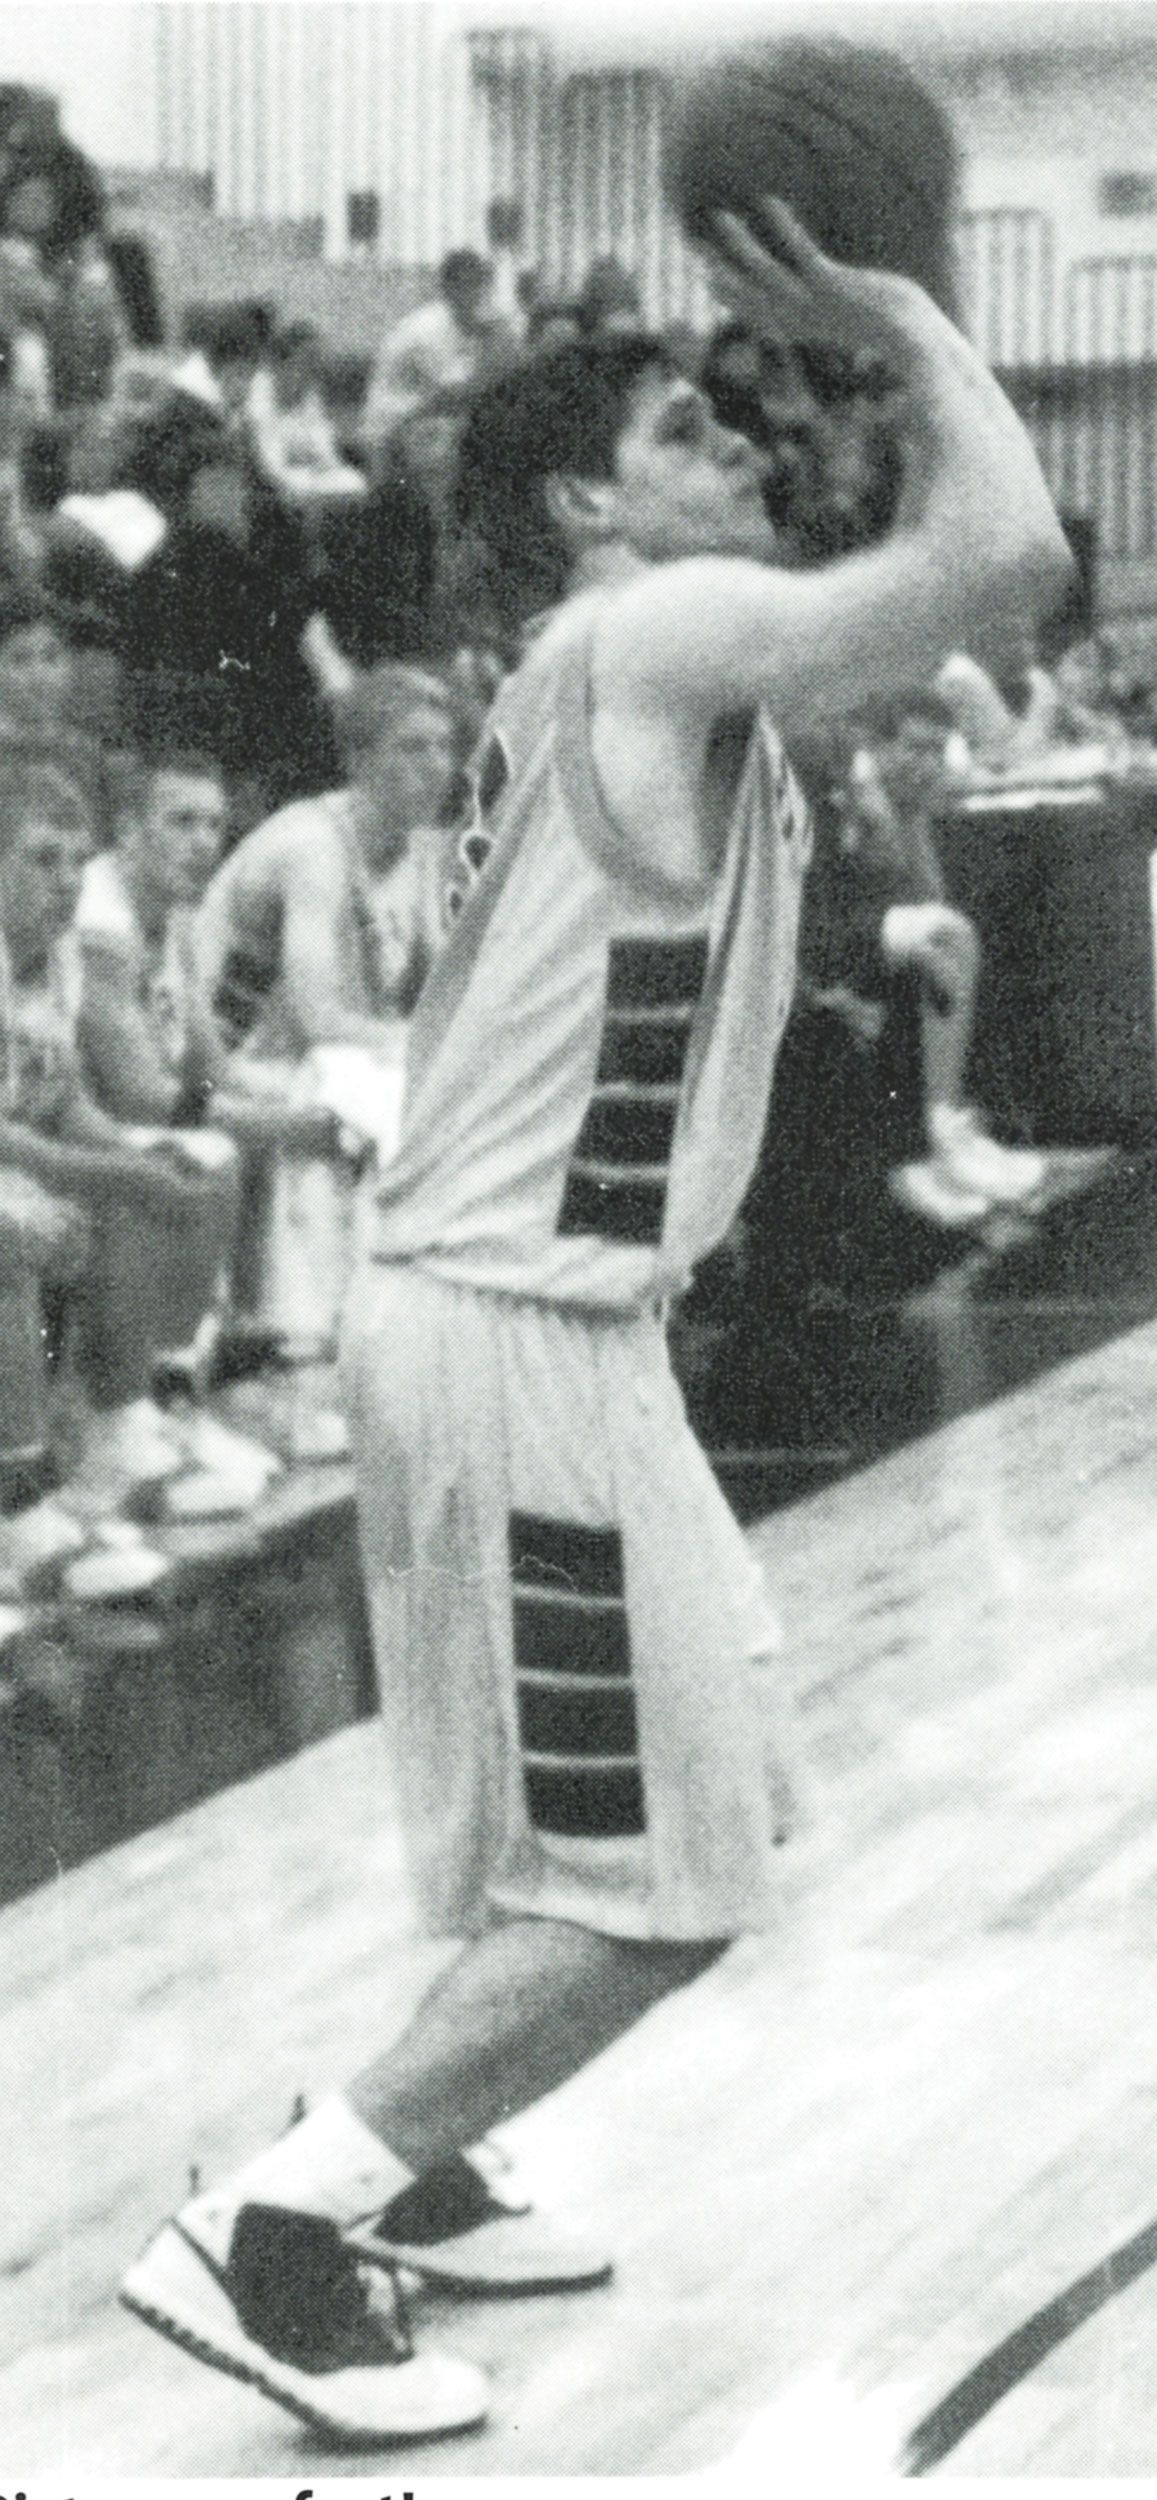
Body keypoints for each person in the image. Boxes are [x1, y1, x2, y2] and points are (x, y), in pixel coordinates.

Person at [121, 204, 1068, 2442]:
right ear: (579, 504)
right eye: (674, 425)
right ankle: (278, 2224)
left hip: (500, 1321)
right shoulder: (642, 633)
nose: (729, 449)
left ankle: (412, 2164)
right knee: (660, 1877)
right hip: (515, 1327)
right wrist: (916, 315)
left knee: (661, 1768)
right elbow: (1003, 555)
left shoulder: (609, 673)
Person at [194, 666, 455, 1339]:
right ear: (358, 759)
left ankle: (411, 1322)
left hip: (313, 1059)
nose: (435, 767)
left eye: (443, 747)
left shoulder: (422, 853)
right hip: (225, 1059)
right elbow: (320, 1022)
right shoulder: (312, 845)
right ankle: (314, 1331)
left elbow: (439, 1000)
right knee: (356, 1096)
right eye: (411, 747)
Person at [362, 248, 516, 450]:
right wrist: (497, 347)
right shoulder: (429, 329)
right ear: (447, 288)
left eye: (479, 284)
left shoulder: (464, 326)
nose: (475, 293)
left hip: (423, 419)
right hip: (391, 428)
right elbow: (454, 394)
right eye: (464, 285)